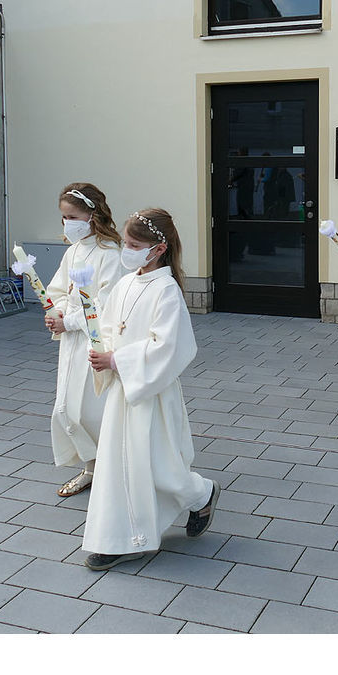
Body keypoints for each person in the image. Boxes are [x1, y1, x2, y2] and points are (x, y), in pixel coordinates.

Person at [82, 209, 219, 571]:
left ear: (158, 249)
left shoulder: (166, 290)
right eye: (126, 243)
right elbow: (109, 323)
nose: (125, 250)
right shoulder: (126, 283)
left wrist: (119, 361)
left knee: (160, 467)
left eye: (132, 245)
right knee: (119, 465)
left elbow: (171, 347)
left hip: (151, 392)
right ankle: (118, 538)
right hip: (122, 391)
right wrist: (99, 348)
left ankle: (201, 493)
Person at [44, 183, 127, 498]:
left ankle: (109, 467)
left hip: (95, 342)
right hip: (71, 342)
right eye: (64, 218)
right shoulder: (73, 251)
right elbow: (59, 291)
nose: (67, 224)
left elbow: (106, 305)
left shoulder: (110, 254)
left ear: (93, 215)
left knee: (91, 410)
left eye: (72, 216)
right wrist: (57, 313)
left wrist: (70, 320)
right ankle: (90, 466)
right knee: (65, 409)